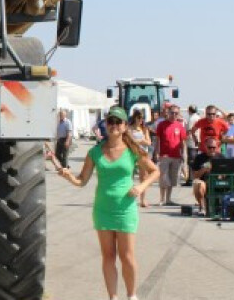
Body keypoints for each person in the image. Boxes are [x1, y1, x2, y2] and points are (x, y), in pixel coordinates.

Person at [58, 107, 159, 300]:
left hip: (126, 209)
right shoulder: (95, 152)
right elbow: (82, 181)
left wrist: (140, 187)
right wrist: (68, 176)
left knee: (127, 257)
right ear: (105, 124)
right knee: (108, 256)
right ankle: (113, 297)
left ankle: (131, 295)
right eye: (110, 122)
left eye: (118, 122)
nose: (113, 125)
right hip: (103, 210)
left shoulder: (133, 150)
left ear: (124, 126)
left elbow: (155, 172)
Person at [155, 105, 186, 206]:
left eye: (176, 113)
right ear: (168, 112)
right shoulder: (161, 124)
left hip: (176, 155)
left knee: (172, 179)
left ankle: (168, 199)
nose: (174, 115)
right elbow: (157, 140)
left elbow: (183, 142)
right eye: (172, 112)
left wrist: (184, 155)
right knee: (164, 178)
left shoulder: (180, 126)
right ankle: (161, 199)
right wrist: (156, 152)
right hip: (164, 155)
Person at [190, 137, 224, 216]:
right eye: (209, 147)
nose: (212, 149)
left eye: (213, 147)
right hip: (204, 181)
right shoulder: (199, 158)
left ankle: (232, 206)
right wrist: (204, 169)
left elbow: (227, 172)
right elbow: (195, 175)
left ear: (217, 147)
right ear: (205, 147)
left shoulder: (221, 157)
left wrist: (220, 175)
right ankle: (202, 208)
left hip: (217, 180)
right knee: (199, 184)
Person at [127, 110, 152, 207]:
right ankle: (129, 197)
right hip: (132, 154)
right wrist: (139, 141)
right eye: (139, 118)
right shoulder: (129, 129)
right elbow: (128, 141)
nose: (141, 120)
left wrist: (141, 141)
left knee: (144, 178)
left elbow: (149, 142)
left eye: (142, 118)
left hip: (143, 154)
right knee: (130, 176)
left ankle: (143, 199)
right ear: (135, 118)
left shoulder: (144, 129)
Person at [181, 105, 201, 186]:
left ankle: (191, 179)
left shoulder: (192, 118)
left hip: (192, 142)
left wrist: (183, 137)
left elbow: (189, 130)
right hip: (196, 141)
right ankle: (192, 178)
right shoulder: (198, 117)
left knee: (191, 161)